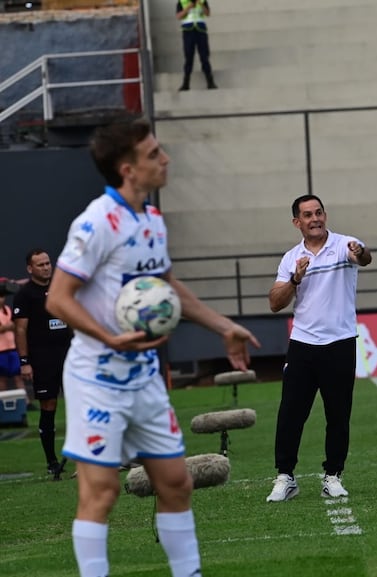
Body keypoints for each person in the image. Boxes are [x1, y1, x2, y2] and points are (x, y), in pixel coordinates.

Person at [45, 118, 260, 577]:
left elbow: (166, 285)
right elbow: (58, 297)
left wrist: (224, 326)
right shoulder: (96, 222)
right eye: (154, 154)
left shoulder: (151, 219)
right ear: (128, 169)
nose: (165, 160)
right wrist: (108, 337)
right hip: (97, 378)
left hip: (143, 377)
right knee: (101, 492)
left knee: (176, 483)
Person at [266, 194, 372, 502]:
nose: (315, 219)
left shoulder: (344, 244)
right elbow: (275, 302)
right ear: (297, 222)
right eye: (308, 215)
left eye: (319, 213)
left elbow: (363, 258)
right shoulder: (291, 258)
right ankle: (285, 477)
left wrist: (361, 252)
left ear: (325, 215)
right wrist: (295, 279)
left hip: (339, 343)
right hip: (303, 345)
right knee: (290, 414)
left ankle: (333, 476)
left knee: (338, 415)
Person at [13, 249, 71, 474]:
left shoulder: (61, 286)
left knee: (82, 403)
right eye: (40, 265)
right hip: (43, 358)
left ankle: (92, 458)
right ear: (30, 268)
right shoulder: (25, 294)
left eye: (48, 263)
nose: (46, 267)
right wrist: (25, 361)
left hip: (68, 354)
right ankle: (52, 462)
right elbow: (20, 329)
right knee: (49, 406)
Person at [176, 0, 217, 91]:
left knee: (204, 56)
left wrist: (200, 4)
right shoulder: (182, 2)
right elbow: (178, 16)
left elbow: (208, 13)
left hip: (200, 31)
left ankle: (210, 81)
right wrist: (188, 8)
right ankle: (186, 83)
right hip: (188, 31)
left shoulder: (202, 1)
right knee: (188, 57)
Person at [0, 289, 28, 404]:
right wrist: (7, 327)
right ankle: (2, 403)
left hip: (12, 348)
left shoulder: (7, 309)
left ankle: (26, 402)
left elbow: (15, 327)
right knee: (1, 379)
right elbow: (9, 327)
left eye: (2, 297)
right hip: (1, 350)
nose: (1, 299)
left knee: (18, 376)